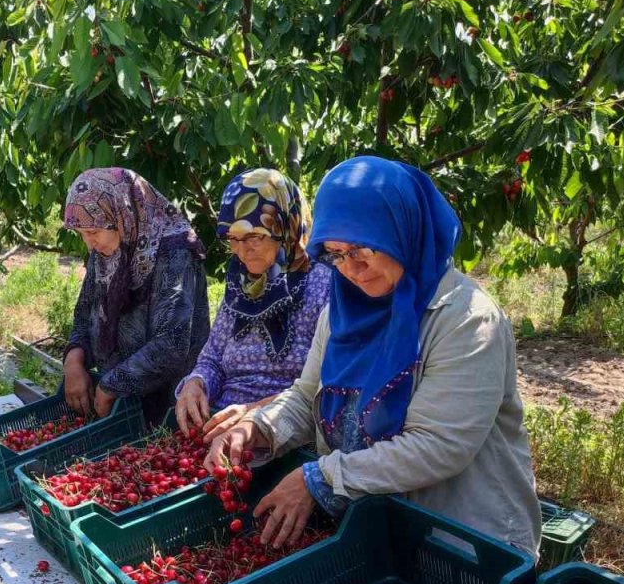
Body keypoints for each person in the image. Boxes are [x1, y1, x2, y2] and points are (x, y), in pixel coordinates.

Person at [207, 155, 541, 554]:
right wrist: (258, 427)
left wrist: (321, 477)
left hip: (466, 543)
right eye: (336, 254)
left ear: (401, 231)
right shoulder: (342, 313)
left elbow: (438, 446)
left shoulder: (466, 320)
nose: (352, 268)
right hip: (380, 533)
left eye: (363, 248)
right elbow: (305, 396)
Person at [174, 168, 332, 434]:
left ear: (284, 227)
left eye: (254, 236)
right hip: (220, 424)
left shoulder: (324, 286)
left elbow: (320, 388)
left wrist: (253, 414)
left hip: (282, 430)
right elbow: (212, 358)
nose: (241, 251)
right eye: (233, 239)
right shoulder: (241, 284)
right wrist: (197, 383)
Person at [61, 168, 209, 423]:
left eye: (93, 232)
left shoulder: (175, 254)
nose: (89, 243)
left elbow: (171, 344)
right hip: (121, 405)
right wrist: (74, 359)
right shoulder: (107, 252)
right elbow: (85, 313)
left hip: (169, 408)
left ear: (122, 216)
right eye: (81, 234)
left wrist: (110, 387)